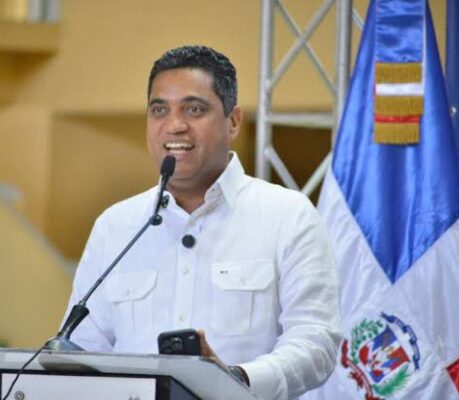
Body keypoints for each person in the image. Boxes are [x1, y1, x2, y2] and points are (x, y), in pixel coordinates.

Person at [64, 45, 341, 400]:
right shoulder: (115, 226)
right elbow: (81, 350)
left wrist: (236, 379)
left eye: (193, 109)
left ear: (233, 121)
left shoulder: (288, 215)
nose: (174, 125)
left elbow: (316, 342)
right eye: (159, 110)